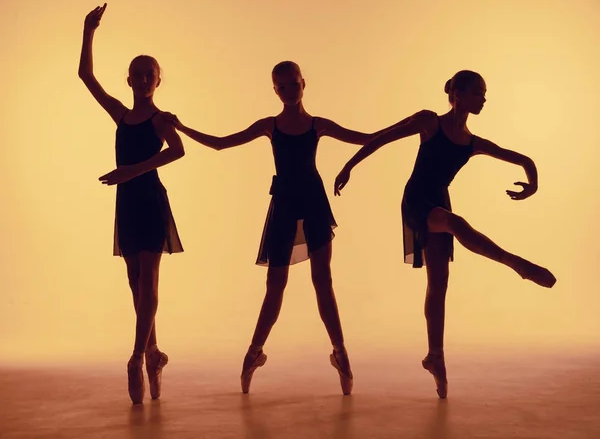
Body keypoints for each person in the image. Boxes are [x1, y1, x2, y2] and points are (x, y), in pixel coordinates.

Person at [334, 70, 557, 399]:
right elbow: (382, 137)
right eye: (478, 92)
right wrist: (349, 166)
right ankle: (516, 264)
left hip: (439, 201)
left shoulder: (472, 142)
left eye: (484, 93)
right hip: (416, 201)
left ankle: (435, 357)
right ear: (458, 94)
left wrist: (533, 184)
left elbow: (524, 160)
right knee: (457, 223)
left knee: (438, 284)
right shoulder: (429, 122)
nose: (483, 98)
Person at [167, 61, 377, 395]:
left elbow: (366, 138)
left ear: (303, 84)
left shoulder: (317, 125)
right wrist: (180, 127)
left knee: (323, 281)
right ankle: (253, 354)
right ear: (274, 90)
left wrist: (409, 126)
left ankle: (340, 353)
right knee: (275, 284)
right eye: (282, 86)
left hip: (314, 202)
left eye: (293, 84)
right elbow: (221, 143)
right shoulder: (270, 126)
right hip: (283, 204)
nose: (289, 91)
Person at [78, 4, 185, 404]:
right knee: (134, 280)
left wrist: (131, 171)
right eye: (137, 74)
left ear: (158, 81)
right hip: (127, 203)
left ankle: (137, 356)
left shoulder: (161, 119)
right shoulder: (122, 115)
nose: (143, 80)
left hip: (150, 201)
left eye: (149, 75)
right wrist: (89, 30)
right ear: (129, 79)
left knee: (150, 280)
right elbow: (86, 76)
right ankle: (155, 353)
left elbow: (178, 151)